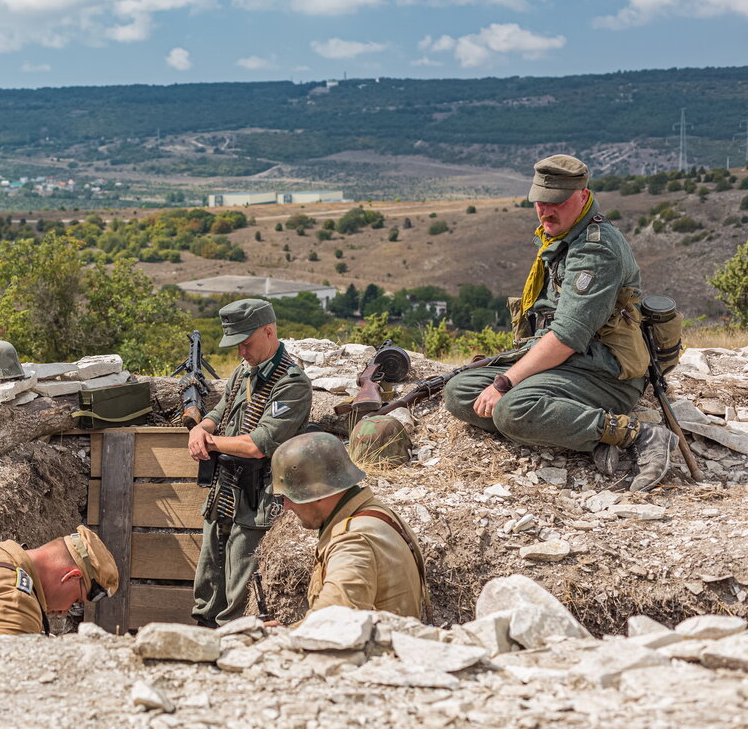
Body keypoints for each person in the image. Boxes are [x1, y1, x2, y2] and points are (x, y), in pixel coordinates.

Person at [442, 154, 673, 492]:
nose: (546, 211)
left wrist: (505, 382)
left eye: (557, 203)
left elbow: (566, 337)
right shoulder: (562, 235)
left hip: (604, 372)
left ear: (582, 196)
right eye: (539, 202)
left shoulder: (596, 251)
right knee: (459, 393)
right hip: (567, 364)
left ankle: (638, 434)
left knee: (511, 410)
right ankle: (581, 432)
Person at [187, 298, 312, 627]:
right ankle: (203, 634)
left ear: (269, 332)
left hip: (256, 498)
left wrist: (209, 442)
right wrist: (201, 428)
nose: (240, 353)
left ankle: (233, 642)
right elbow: (221, 410)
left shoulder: (291, 383)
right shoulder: (244, 373)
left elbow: (260, 444)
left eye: (246, 344)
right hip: (225, 490)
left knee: (240, 582)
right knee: (209, 576)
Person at [272, 432, 426, 619]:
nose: (286, 506)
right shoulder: (377, 512)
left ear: (318, 493)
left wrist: (283, 637)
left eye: (289, 497)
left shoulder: (353, 541)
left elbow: (331, 621)